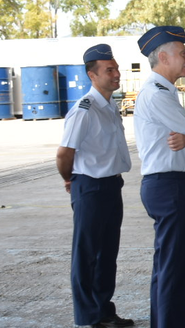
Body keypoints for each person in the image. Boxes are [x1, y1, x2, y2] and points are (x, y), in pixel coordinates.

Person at [133, 26, 185, 328]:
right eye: (182, 53)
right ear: (163, 58)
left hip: (168, 187)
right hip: (170, 187)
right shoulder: (158, 95)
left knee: (168, 267)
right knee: (174, 270)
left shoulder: (164, 93)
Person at [56, 44, 134, 328]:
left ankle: (104, 311)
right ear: (92, 75)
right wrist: (69, 179)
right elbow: (64, 154)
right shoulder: (84, 110)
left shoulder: (109, 106)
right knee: (87, 254)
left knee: (107, 254)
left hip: (111, 186)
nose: (117, 74)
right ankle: (89, 316)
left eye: (116, 69)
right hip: (90, 187)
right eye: (109, 70)